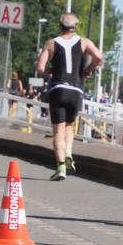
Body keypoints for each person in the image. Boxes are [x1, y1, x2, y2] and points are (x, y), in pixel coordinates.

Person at [36, 13, 103, 181]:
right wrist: (88, 69)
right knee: (70, 126)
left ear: (60, 26)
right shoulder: (84, 42)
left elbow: (40, 67)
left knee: (58, 130)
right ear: (76, 26)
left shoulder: (51, 43)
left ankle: (60, 168)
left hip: (58, 89)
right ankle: (69, 154)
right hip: (76, 90)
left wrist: (50, 73)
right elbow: (99, 57)